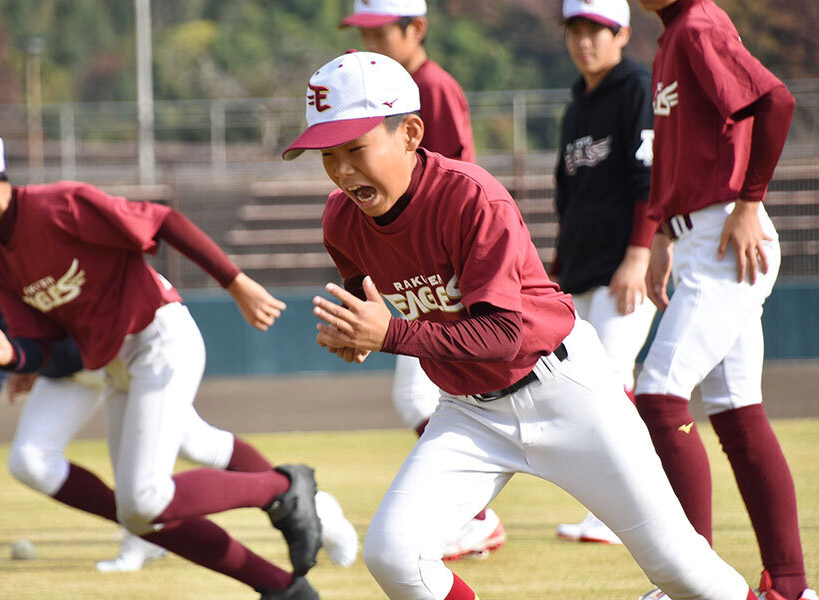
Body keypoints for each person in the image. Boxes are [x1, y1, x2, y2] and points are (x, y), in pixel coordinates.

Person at [283, 49, 760, 600]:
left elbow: (506, 334)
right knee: (394, 555)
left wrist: (386, 334)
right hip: (470, 413)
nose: (341, 170)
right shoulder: (341, 220)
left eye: (354, 148)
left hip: (565, 389)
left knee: (680, 570)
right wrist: (353, 334)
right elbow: (363, 298)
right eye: (326, 154)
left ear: (411, 133)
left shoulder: (471, 197)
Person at [0, 114, 322, 600]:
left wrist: (234, 282)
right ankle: (284, 589)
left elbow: (163, 220)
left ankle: (281, 486)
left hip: (158, 337)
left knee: (144, 500)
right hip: (113, 365)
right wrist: (9, 354)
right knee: (139, 515)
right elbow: (39, 344)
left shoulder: (58, 204)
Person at [630, 2, 816, 600]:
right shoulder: (669, 39)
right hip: (697, 238)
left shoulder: (697, 22)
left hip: (726, 236)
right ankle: (788, 587)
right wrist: (660, 232)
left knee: (659, 396)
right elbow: (681, 151)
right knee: (737, 413)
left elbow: (777, 100)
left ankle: (694, 583)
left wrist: (749, 201)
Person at [340, 0, 505, 561]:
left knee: (418, 392)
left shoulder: (431, 86)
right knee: (419, 395)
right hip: (419, 283)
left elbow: (454, 175)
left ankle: (476, 515)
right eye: (361, 33)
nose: (368, 44)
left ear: (416, 28)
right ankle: (475, 513)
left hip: (444, 277)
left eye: (377, 31)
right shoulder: (384, 87)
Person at [551, 0, 657, 547]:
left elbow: (649, 179)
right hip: (583, 272)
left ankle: (637, 512)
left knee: (614, 386)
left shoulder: (637, 87)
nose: (585, 40)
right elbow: (568, 196)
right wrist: (556, 267)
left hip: (624, 269)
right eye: (576, 29)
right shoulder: (577, 103)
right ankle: (613, 512)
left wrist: (639, 256)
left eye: (596, 29)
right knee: (590, 391)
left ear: (622, 34)